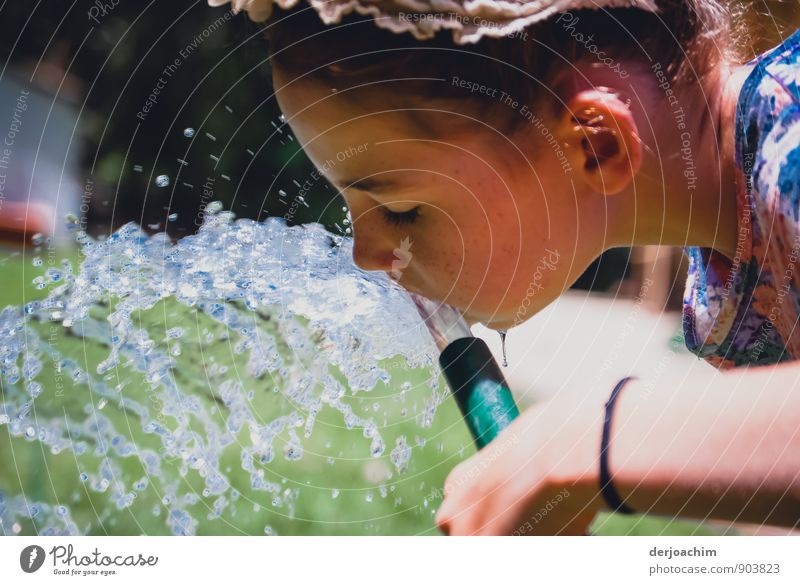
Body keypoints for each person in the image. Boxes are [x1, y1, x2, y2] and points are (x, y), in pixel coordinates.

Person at [210, 0, 800, 534]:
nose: (365, 254)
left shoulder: (791, 144)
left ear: (596, 145)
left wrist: (578, 443)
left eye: (399, 208)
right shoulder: (724, 276)